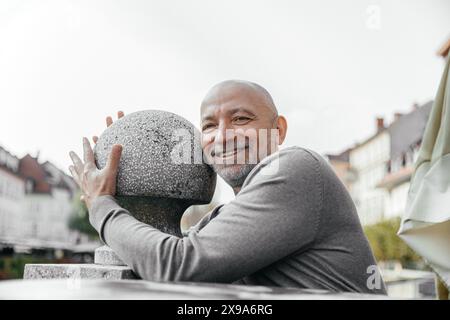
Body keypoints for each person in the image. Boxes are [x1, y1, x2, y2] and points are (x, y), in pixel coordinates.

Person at [69, 80, 386, 294]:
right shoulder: (229, 215)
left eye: (241, 120)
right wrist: (126, 170)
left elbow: (177, 265)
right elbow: (158, 250)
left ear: (278, 130)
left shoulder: (298, 168)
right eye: (208, 126)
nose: (222, 136)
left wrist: (102, 204)